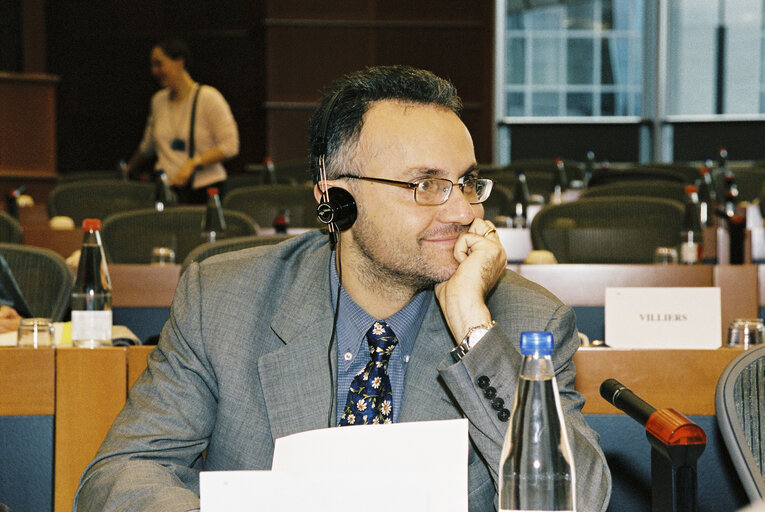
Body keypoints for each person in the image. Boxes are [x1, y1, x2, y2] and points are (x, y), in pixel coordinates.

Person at [75, 65, 611, 511]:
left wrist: (473, 330)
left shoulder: (523, 322)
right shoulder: (222, 300)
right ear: (337, 200)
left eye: (467, 182)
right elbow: (121, 475)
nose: (465, 210)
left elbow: (579, 502)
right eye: (427, 185)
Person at [126, 38, 239, 203]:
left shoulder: (208, 97)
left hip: (204, 190)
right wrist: (127, 169)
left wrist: (194, 163)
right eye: (152, 65)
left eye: (159, 64)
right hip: (167, 189)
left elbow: (230, 146)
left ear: (180, 62)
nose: (154, 71)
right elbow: (148, 145)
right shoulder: (158, 101)